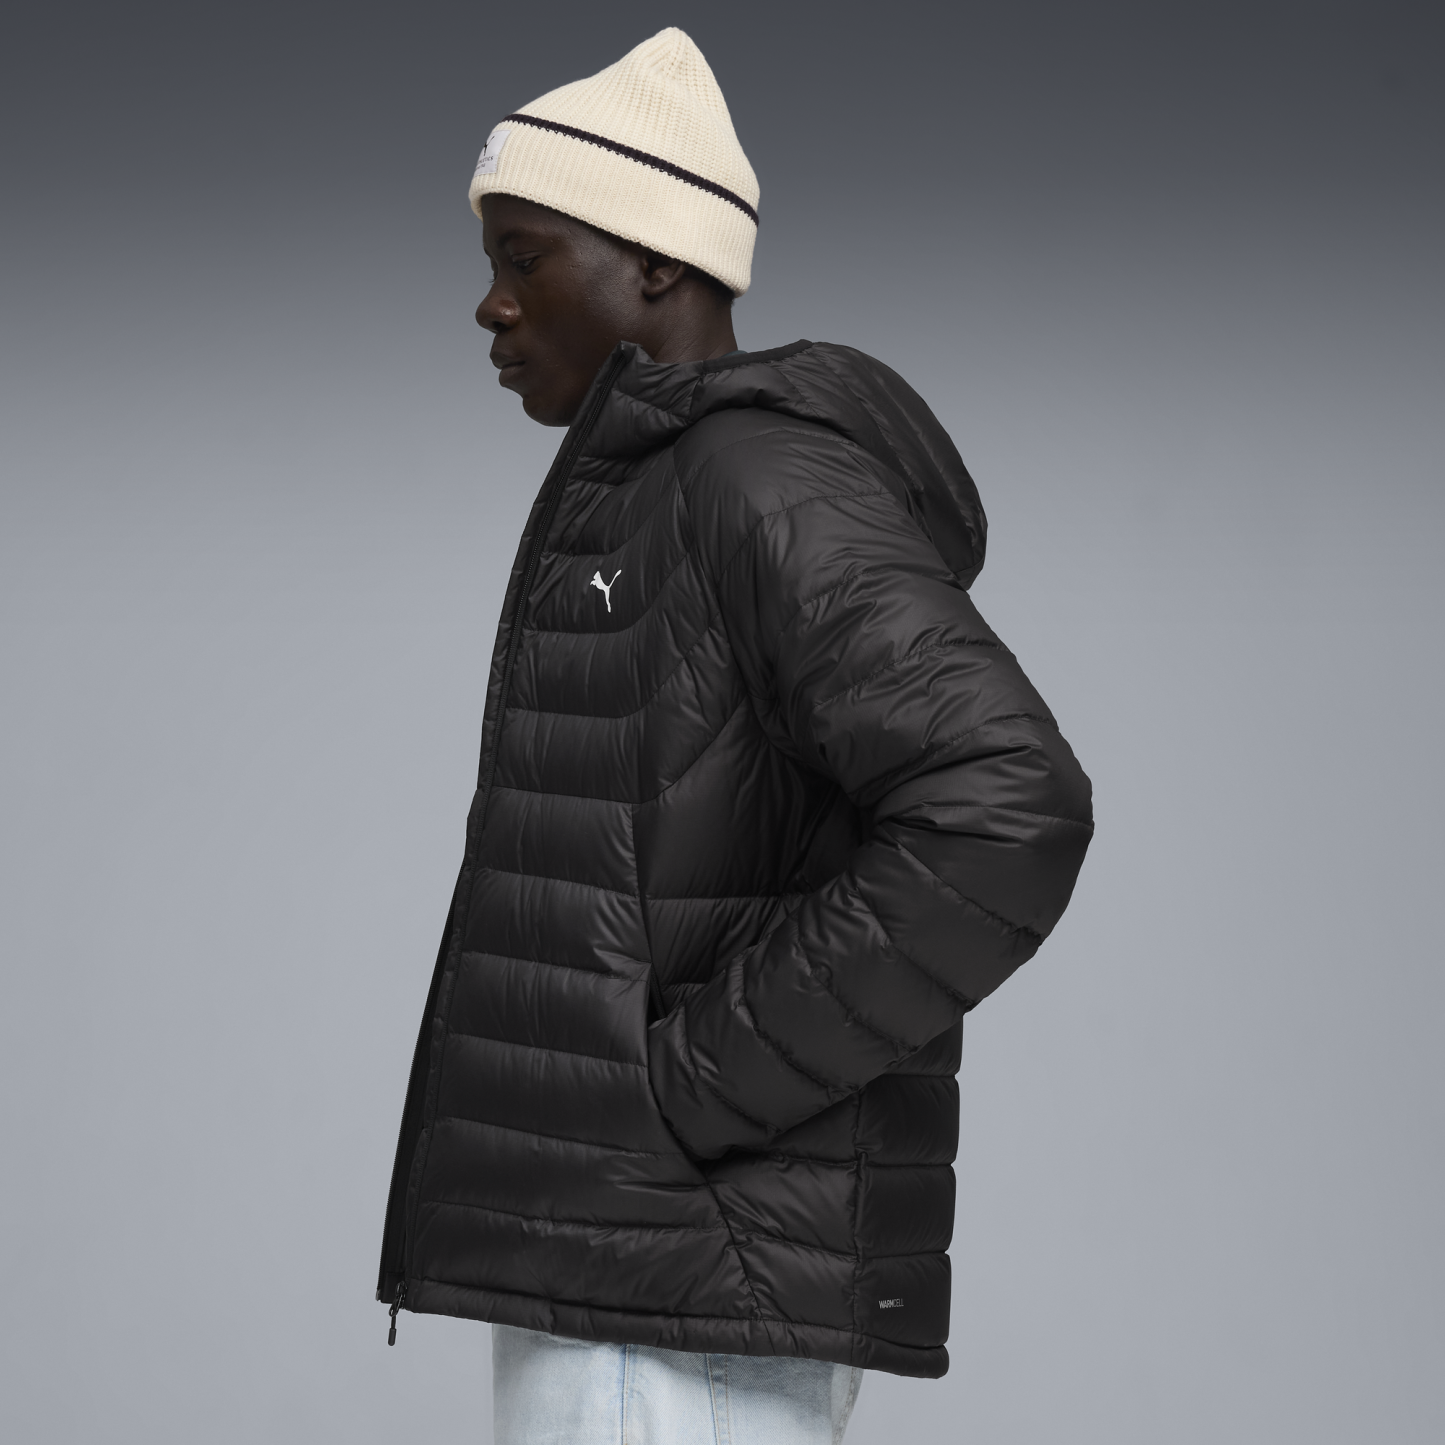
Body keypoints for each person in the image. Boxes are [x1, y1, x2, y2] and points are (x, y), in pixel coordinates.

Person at [377, 27, 1093, 1445]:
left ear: (657, 261)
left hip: (674, 1300)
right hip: (641, 1280)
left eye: (524, 257)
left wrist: (689, 1093)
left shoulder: (752, 476)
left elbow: (1008, 802)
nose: (492, 305)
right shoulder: (668, 483)